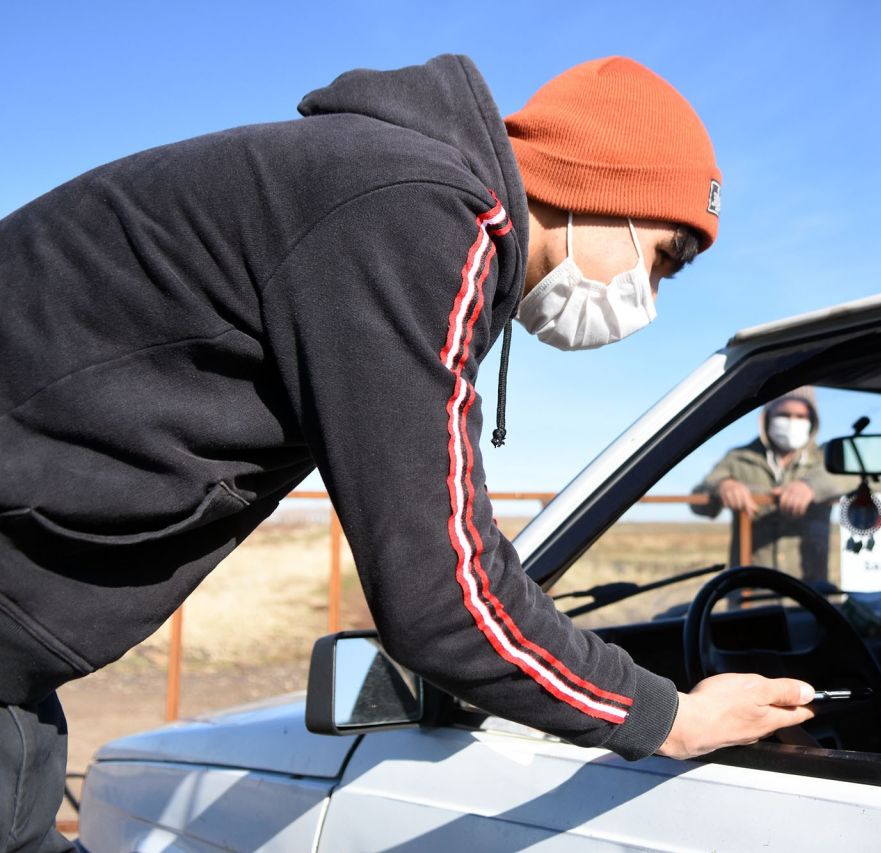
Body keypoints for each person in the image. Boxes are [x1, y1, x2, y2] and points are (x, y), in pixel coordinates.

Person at [0, 55, 814, 850]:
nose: (652, 298)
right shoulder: (416, 215)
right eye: (664, 261)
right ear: (605, 192)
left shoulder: (393, 194)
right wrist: (671, 716)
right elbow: (444, 597)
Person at [693, 387, 857, 586]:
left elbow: (864, 481)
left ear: (812, 420)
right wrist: (722, 485)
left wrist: (812, 486)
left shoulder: (825, 460)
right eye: (784, 415)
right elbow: (698, 502)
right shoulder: (739, 459)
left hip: (808, 592)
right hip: (750, 591)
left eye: (800, 416)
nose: (791, 422)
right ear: (767, 417)